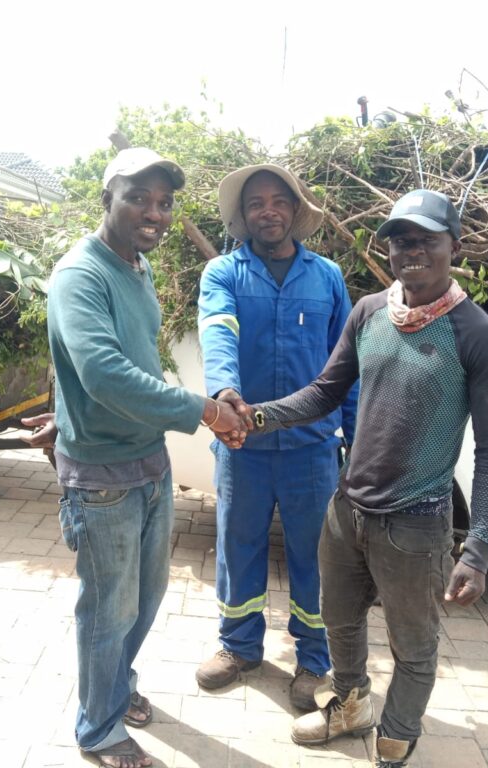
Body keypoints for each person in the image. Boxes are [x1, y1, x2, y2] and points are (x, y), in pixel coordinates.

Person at [246, 189, 488, 767]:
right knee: (339, 622)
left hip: (416, 524)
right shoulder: (369, 312)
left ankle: (397, 737)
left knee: (413, 644)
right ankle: (350, 707)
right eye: (400, 240)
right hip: (347, 510)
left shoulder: (477, 335)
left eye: (426, 240)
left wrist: (478, 550)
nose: (411, 250)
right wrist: (257, 417)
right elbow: (324, 392)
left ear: (454, 247)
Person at [23, 147, 248, 768]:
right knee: (108, 609)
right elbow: (103, 373)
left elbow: (112, 358)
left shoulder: (137, 265)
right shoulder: (81, 274)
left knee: (144, 600)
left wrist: (64, 411)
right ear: (107, 200)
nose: (154, 212)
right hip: (102, 478)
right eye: (138, 198)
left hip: (149, 462)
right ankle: (98, 730)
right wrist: (205, 410)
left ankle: (116, 689)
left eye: (164, 202)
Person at [196, 164, 358, 710]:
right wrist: (225, 392)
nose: (268, 211)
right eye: (256, 203)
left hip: (312, 449)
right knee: (238, 546)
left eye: (278, 201)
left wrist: (356, 441)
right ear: (244, 217)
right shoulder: (223, 273)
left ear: (295, 210)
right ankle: (239, 647)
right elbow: (218, 330)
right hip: (242, 445)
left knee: (318, 556)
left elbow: (346, 365)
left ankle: (314, 659)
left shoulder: (327, 277)